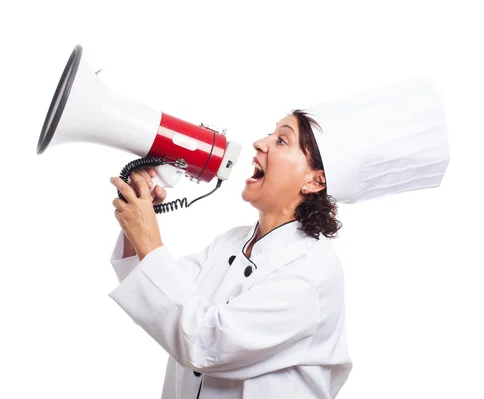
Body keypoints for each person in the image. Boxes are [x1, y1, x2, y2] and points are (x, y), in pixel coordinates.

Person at [108, 78, 450, 399]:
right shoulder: (232, 242)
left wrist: (150, 237)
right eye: (270, 134)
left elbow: (207, 342)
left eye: (281, 140)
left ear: (315, 180)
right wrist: (137, 218)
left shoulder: (311, 274)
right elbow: (157, 292)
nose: (260, 143)